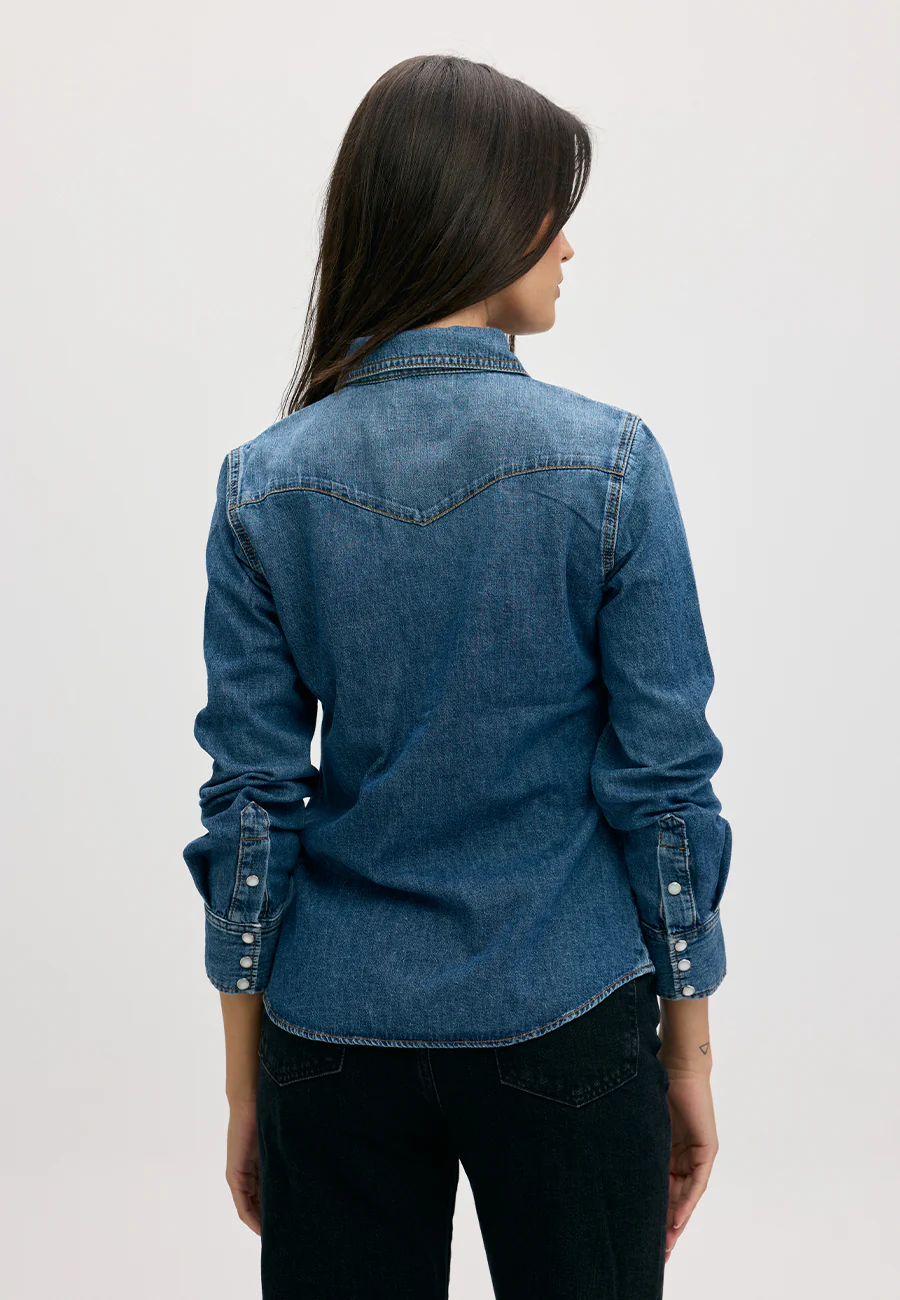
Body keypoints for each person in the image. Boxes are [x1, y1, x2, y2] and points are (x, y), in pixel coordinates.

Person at [183, 52, 733, 1300]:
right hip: (568, 1007)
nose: (568, 246)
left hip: (331, 1028)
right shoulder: (612, 465)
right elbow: (664, 793)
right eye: (549, 211)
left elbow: (251, 807)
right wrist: (689, 1052)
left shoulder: (262, 483)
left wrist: (244, 1082)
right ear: (476, 215)